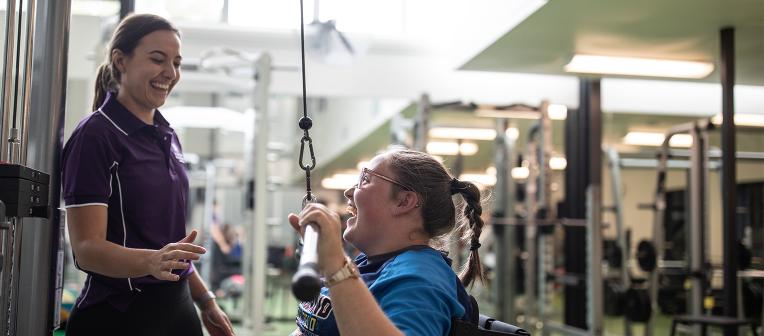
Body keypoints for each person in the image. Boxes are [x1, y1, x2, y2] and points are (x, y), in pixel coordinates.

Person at [62, 14, 234, 336]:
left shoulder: (167, 135)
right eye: (158, 59)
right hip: (119, 313)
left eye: (177, 63)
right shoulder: (95, 136)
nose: (170, 73)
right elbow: (86, 248)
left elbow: (169, 245)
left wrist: (206, 301)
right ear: (120, 61)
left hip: (177, 308)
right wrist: (151, 262)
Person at [288, 148, 486, 336]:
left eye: (365, 180)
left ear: (404, 201)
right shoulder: (369, 264)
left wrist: (335, 264)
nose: (349, 192)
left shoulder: (418, 279)